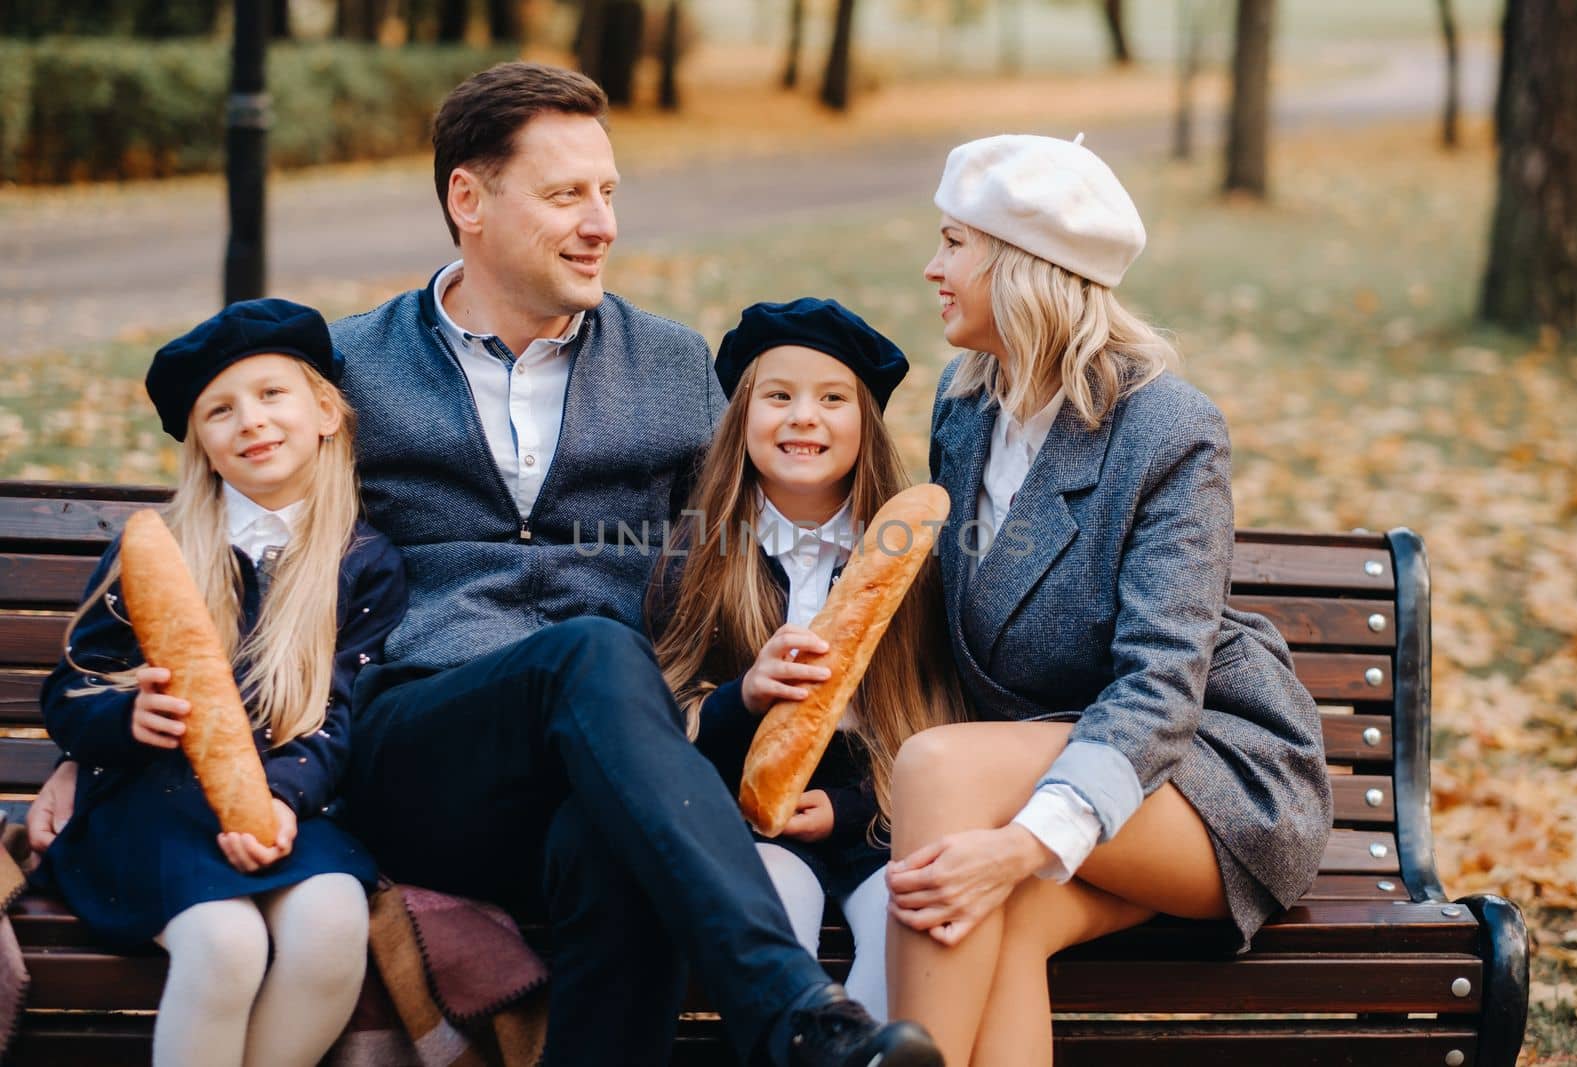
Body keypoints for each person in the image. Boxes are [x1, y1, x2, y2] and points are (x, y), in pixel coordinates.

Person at [32, 62, 943, 1067]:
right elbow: (233, 553)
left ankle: (792, 1021)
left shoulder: (675, 366)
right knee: (591, 651)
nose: (600, 222)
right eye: (566, 195)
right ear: (467, 198)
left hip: (609, 764)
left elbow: (745, 553)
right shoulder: (353, 366)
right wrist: (104, 737)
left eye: (608, 194)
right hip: (422, 749)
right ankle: (791, 1010)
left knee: (617, 848)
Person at [882, 134, 1335, 1065]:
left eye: (955, 243)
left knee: (939, 773)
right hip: (1055, 767)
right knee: (1004, 918)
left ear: (1021, 266)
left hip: (1206, 772)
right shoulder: (966, 409)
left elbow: (1164, 685)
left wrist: (1021, 844)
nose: (933, 268)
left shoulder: (1166, 427)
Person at [35, 299, 408, 1067]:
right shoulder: (160, 551)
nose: (251, 421)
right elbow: (69, 691)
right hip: (153, 806)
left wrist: (279, 797)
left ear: (327, 412)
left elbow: (346, 708)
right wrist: (125, 716)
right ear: (201, 444)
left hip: (292, 802)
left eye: (273, 393)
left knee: (334, 925)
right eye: (220, 410)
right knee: (225, 942)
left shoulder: (363, 561)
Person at [647, 298, 966, 1018]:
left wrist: (853, 810)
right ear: (740, 416)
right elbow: (663, 713)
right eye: (778, 396)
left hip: (880, 815)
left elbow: (932, 713)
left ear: (866, 425)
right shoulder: (696, 558)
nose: (803, 417)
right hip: (747, 815)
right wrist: (744, 697)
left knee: (909, 919)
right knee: (770, 913)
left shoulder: (910, 563)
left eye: (832, 399)